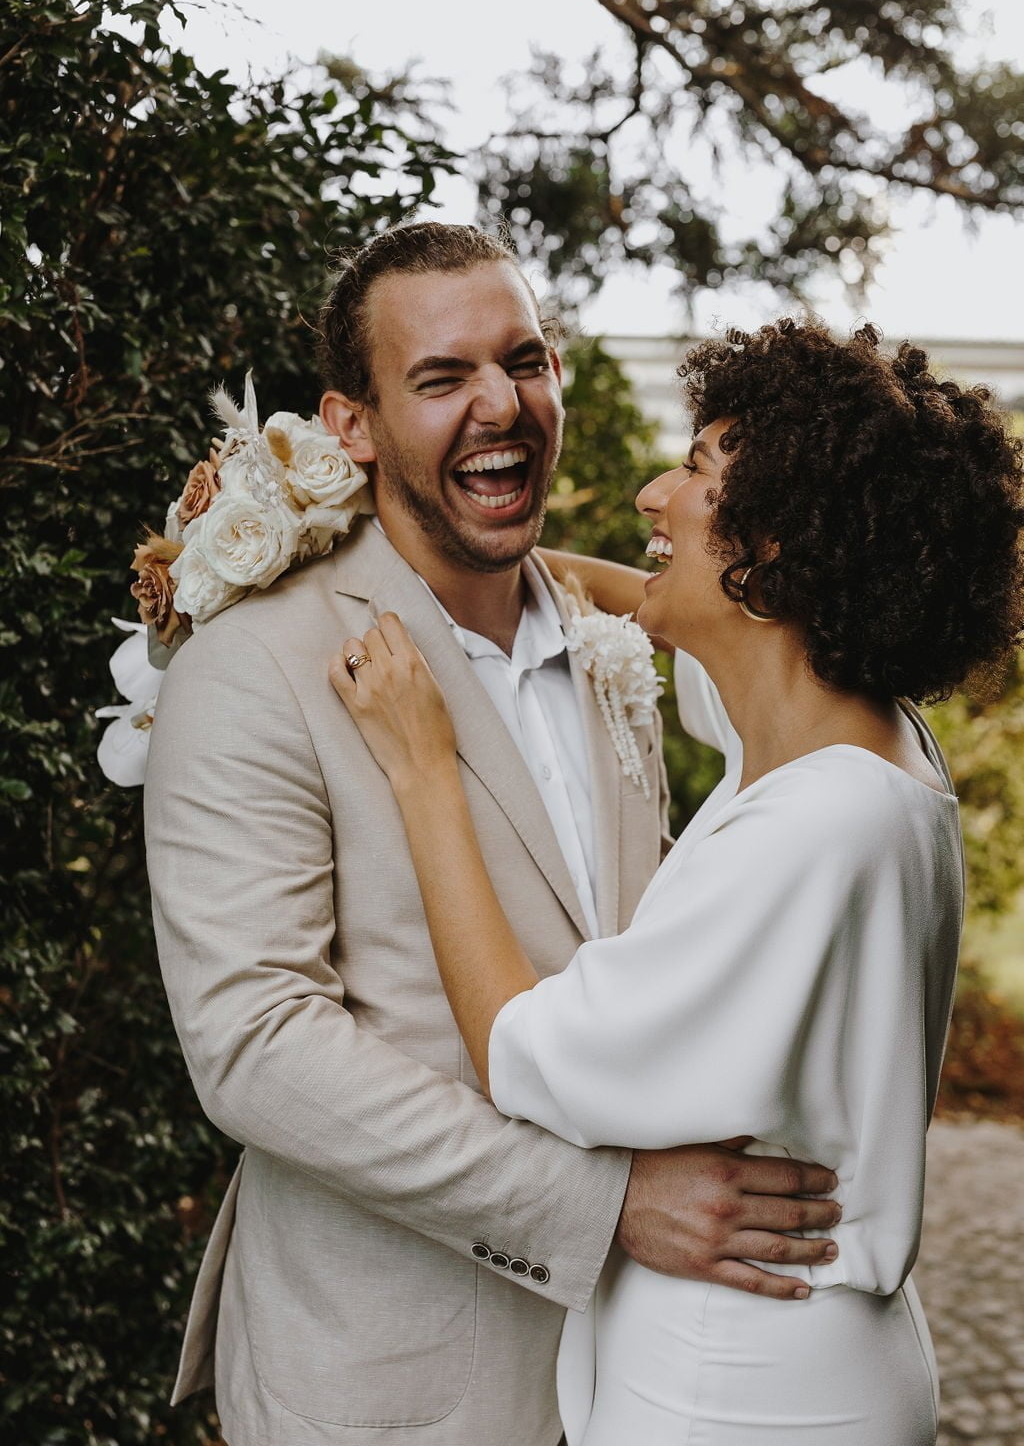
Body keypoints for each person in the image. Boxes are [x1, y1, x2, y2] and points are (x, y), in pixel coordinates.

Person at [144, 227, 841, 1446]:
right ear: (351, 426)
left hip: (640, 1373)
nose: (499, 405)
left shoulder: (610, 639)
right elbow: (255, 1045)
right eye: (440, 377)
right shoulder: (254, 666)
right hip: (392, 1384)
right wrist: (605, 1205)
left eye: (523, 361)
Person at [330, 317, 1024, 1445]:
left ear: (779, 545)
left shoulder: (816, 827)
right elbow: (662, 620)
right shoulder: (853, 734)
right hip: (807, 1356)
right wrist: (470, 555)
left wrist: (423, 768)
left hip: (739, 1384)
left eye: (697, 471)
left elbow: (518, 1047)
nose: (654, 495)